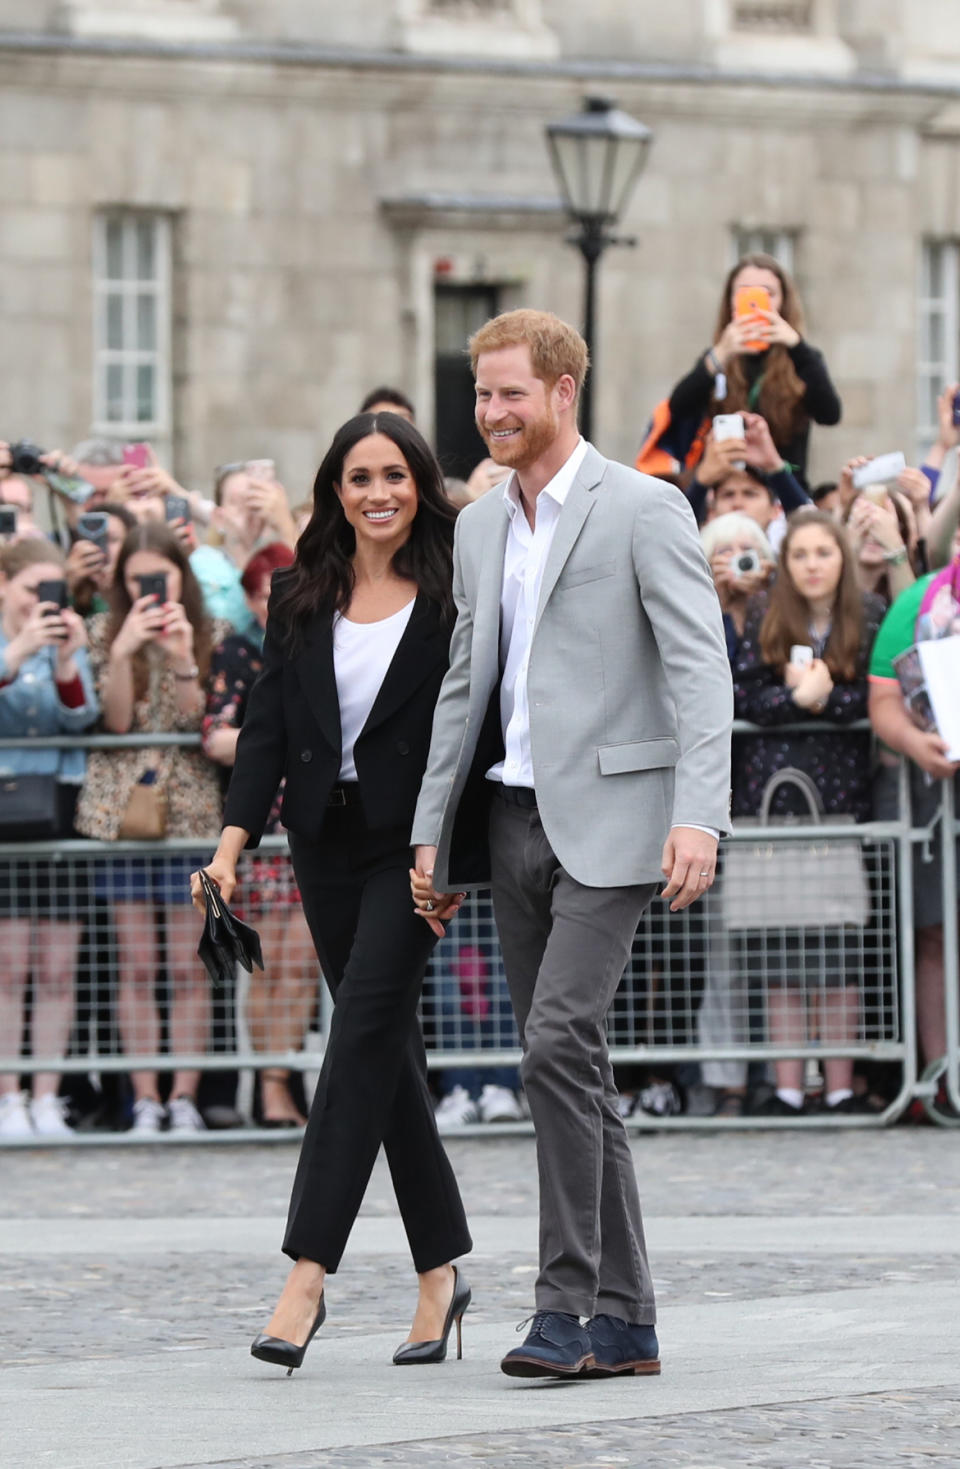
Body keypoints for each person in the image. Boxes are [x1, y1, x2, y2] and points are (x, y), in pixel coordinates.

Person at [410, 308, 732, 1379]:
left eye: (509, 393)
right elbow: (467, 683)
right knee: (575, 1070)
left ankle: (565, 1305)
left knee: (551, 1045)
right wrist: (430, 834)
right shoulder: (476, 522)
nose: (490, 412)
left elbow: (699, 669)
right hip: (506, 820)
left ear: (561, 391)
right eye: (480, 394)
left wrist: (700, 812)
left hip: (618, 822)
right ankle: (631, 1322)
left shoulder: (643, 504)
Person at [192, 412, 472, 1371]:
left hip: (412, 850)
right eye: (359, 477)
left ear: (419, 485)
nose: (378, 492)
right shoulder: (299, 591)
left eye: (395, 474)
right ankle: (441, 1272)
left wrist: (451, 851)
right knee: (382, 1049)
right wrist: (230, 848)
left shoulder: (450, 591)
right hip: (323, 843)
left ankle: (307, 1273)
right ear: (335, 491)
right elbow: (265, 730)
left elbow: (470, 731)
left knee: (355, 1038)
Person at [732, 509, 885, 1116]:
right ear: (786, 564)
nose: (813, 564)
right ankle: (790, 1089)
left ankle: (841, 1086)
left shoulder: (867, 616)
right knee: (780, 954)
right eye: (801, 554)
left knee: (838, 952)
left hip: (841, 803)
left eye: (824, 552)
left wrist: (829, 700)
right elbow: (742, 694)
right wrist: (795, 698)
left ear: (842, 559)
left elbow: (875, 696)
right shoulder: (766, 617)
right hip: (771, 806)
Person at [74, 522, 226, 1133]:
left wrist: (184, 660)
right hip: (120, 816)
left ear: (180, 576)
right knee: (136, 964)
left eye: (158, 577)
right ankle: (144, 1097)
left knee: (189, 964)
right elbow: (112, 724)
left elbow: (202, 725)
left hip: (192, 814)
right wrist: (121, 652)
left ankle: (184, 1097)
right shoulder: (100, 632)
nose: (148, 590)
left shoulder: (209, 632)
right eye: (135, 579)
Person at [203, 542, 316, 1127]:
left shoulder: (316, 640)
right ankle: (272, 1091)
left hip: (313, 822)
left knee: (301, 966)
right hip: (262, 829)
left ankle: (280, 1082)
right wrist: (279, 739)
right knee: (272, 967)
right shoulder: (239, 652)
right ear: (248, 598)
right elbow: (216, 738)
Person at [0, 540, 99, 1139]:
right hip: (6, 801)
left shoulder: (68, 639)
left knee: (59, 968)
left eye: (52, 589)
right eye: (31, 588)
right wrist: (17, 652)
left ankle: (46, 1096)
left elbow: (81, 717)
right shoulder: (12, 643)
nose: (44, 602)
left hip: (59, 802)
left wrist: (65, 662)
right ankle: (8, 1094)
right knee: (10, 967)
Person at [868, 529, 960, 1109]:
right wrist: (914, 742)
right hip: (933, 791)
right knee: (934, 932)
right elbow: (882, 698)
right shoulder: (917, 603)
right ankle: (942, 1074)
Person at [668, 253, 841, 488]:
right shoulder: (719, 360)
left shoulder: (802, 358)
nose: (755, 302)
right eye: (744, 292)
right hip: (726, 490)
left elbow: (830, 413)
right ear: (730, 301)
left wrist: (796, 346)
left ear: (783, 301)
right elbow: (678, 406)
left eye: (768, 293)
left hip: (783, 489)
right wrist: (721, 354)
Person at [191, 462, 298, 637]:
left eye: (253, 500)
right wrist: (245, 551)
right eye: (235, 502)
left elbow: (315, 592)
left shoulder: (279, 557)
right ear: (218, 517)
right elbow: (225, 628)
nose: (246, 509)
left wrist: (285, 524)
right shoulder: (203, 563)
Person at [700, 512, 776, 663]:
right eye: (725, 552)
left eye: (747, 550)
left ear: (763, 557)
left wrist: (771, 583)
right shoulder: (697, 607)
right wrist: (718, 598)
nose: (737, 557)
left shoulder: (777, 602)